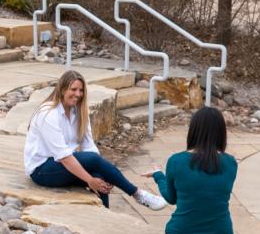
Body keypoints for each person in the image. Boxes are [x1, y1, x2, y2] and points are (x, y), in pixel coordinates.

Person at [24, 70, 167, 210]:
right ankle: (137, 193)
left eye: (81, 90)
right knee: (93, 167)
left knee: (100, 179)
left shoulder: (78, 112)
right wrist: (89, 180)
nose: (78, 94)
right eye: (73, 89)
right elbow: (64, 157)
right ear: (62, 89)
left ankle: (105, 215)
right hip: (42, 170)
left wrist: (103, 176)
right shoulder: (48, 113)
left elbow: (89, 146)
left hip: (62, 165)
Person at [143, 106, 237, 234]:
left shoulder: (177, 161)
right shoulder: (231, 163)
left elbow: (170, 198)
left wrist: (158, 175)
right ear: (221, 133)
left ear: (193, 130)